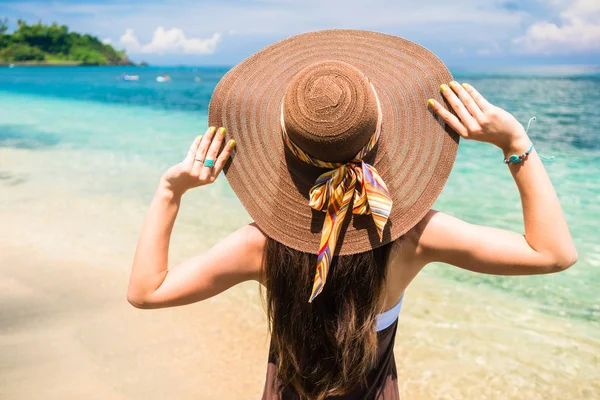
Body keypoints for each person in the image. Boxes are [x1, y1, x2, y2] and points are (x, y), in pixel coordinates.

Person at [127, 30, 577, 400]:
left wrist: (171, 192)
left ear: (286, 146)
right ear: (380, 135)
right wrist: (516, 144)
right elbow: (553, 254)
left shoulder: (260, 246)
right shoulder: (414, 236)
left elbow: (147, 291)